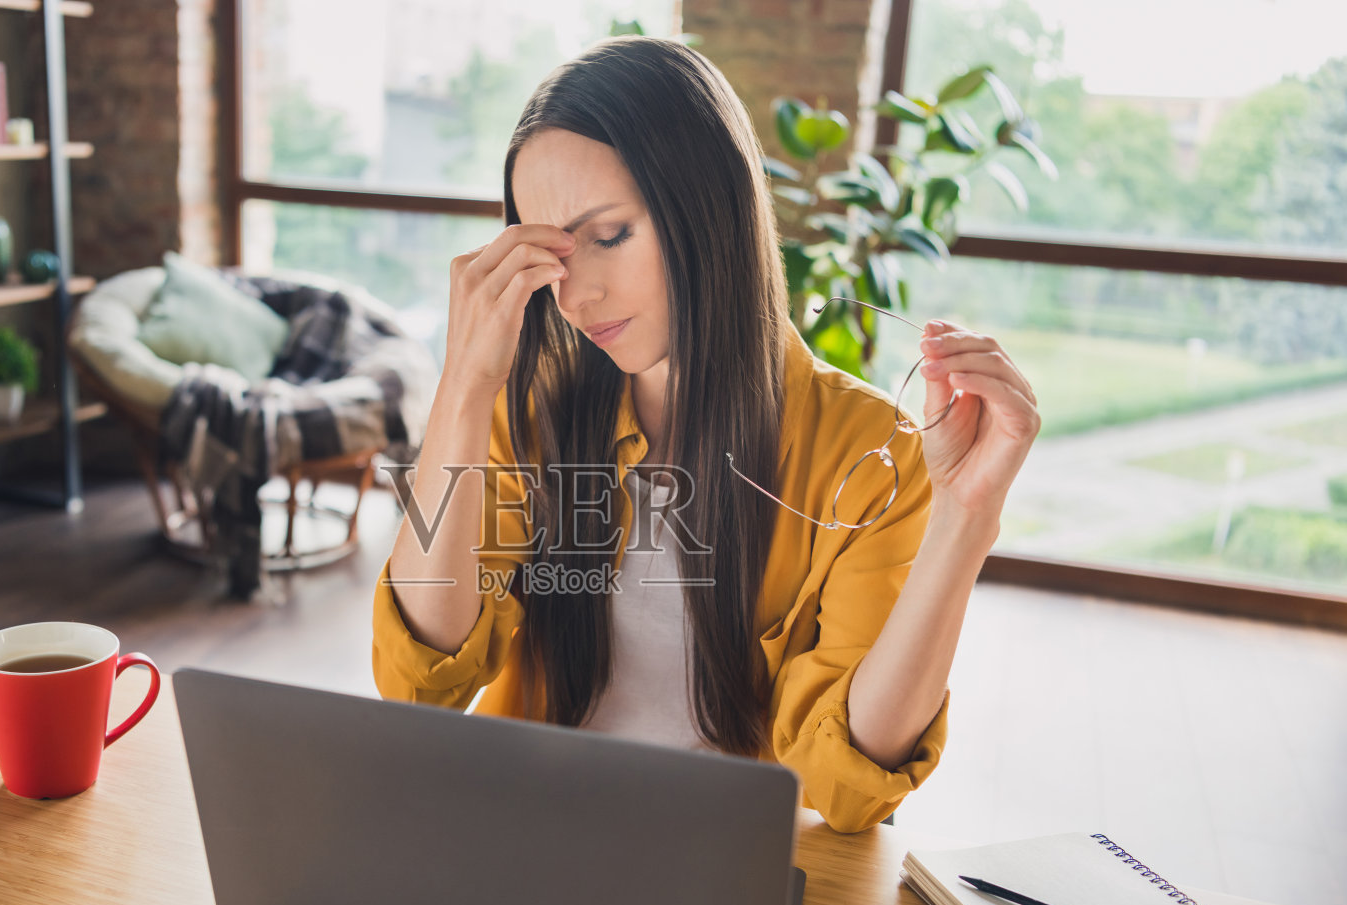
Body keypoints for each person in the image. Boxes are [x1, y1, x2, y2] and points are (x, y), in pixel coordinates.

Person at [371, 37, 1039, 832]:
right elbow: (421, 684)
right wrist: (465, 385)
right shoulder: (533, 412)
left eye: (609, 235)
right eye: (552, 253)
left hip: (724, 871)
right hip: (529, 837)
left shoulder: (870, 450)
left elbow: (848, 786)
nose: (577, 297)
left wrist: (967, 522)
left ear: (707, 206)